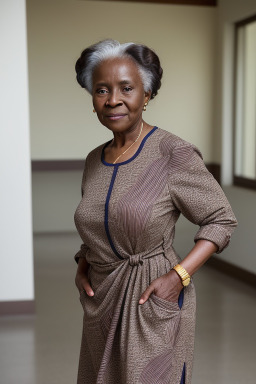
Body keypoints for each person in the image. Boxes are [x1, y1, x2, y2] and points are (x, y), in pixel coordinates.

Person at [73, 39, 237, 384]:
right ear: (92, 99)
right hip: (102, 300)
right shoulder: (93, 160)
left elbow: (220, 218)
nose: (113, 100)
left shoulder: (172, 153)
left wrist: (179, 277)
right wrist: (85, 263)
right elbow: (98, 224)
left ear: (146, 95)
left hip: (151, 296)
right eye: (102, 90)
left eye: (126, 88)